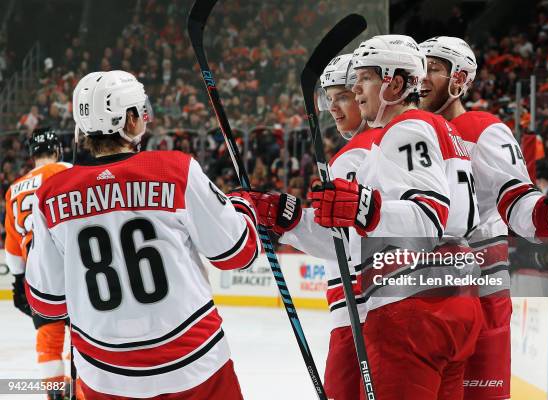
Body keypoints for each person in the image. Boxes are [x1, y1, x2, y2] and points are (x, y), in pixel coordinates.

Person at [24, 70, 261, 399]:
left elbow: (47, 304)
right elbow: (239, 254)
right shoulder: (176, 169)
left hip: (105, 376)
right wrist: (242, 207)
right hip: (195, 365)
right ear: (131, 119)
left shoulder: (49, 195)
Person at [419, 35, 548, 400]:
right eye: (420, 67)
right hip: (419, 300)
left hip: (481, 300)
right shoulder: (412, 136)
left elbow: (516, 198)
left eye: (434, 68)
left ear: (459, 79)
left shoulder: (485, 130)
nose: (423, 76)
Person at [310, 35, 483, 400]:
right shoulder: (440, 128)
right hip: (458, 296)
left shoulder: (405, 129)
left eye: (366, 77)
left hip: (413, 304)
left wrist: (361, 208)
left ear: (398, 83)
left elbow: (426, 217)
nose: (355, 88)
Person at [234, 53, 379, 400]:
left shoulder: (355, 155)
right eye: (330, 101)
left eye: (344, 96)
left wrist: (290, 220)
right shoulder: (381, 146)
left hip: (362, 312)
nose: (336, 109)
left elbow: (345, 244)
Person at [4, 127, 73, 400]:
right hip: (68, 266)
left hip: (36, 275)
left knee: (48, 339)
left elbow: (12, 248)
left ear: (32, 155)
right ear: (57, 150)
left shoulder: (13, 189)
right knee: (83, 335)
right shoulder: (66, 170)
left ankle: (55, 394)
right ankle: (82, 390)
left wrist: (19, 282)